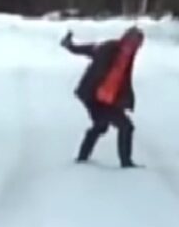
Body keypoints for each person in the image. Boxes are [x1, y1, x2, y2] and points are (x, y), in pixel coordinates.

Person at [60, 26, 145, 168]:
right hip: (93, 96)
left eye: (138, 44)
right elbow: (90, 49)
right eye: (134, 42)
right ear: (126, 39)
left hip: (107, 99)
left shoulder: (128, 57)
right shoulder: (109, 48)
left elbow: (122, 81)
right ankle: (125, 162)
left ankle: (82, 158)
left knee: (101, 126)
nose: (136, 46)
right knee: (125, 126)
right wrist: (71, 46)